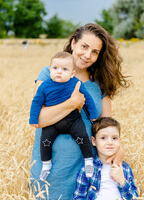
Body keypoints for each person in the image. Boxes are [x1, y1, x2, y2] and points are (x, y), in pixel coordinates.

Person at [29, 23, 129, 200]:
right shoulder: (50, 73)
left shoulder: (99, 83)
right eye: (84, 46)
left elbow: (106, 126)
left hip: (86, 169)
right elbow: (39, 120)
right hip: (52, 169)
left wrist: (119, 149)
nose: (87, 55)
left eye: (95, 52)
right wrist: (72, 103)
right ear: (73, 43)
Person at [29, 51, 98, 180]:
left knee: (83, 137)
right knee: (45, 142)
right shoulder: (45, 86)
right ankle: (46, 165)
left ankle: (88, 161)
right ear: (50, 70)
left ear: (72, 73)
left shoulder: (76, 83)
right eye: (55, 68)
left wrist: (93, 114)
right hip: (52, 123)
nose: (59, 72)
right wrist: (33, 118)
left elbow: (88, 99)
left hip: (73, 119)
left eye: (64, 69)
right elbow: (36, 102)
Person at [73, 117, 138, 200]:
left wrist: (122, 181)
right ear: (94, 141)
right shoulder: (88, 169)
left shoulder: (125, 168)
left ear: (120, 141)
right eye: (103, 138)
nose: (110, 142)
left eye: (114, 138)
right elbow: (77, 198)